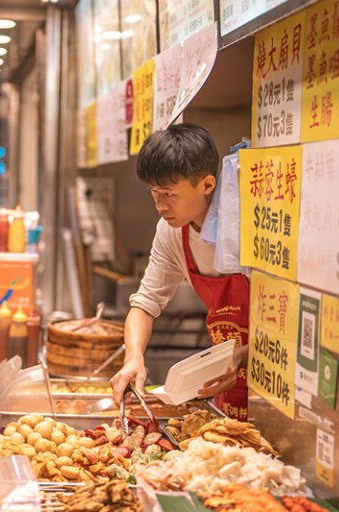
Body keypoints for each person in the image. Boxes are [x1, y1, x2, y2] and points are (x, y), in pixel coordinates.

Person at [110, 123, 250, 421]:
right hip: (227, 381)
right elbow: (146, 303)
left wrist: (246, 353)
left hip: (275, 380)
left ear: (207, 185)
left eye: (169, 194)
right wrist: (133, 356)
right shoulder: (172, 232)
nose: (160, 205)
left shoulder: (248, 226)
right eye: (153, 192)